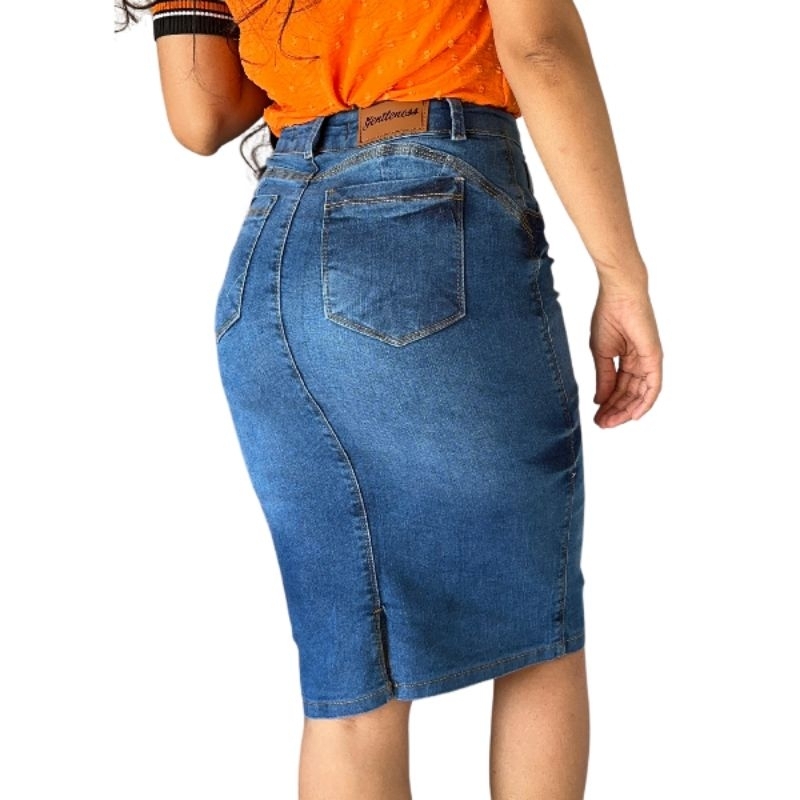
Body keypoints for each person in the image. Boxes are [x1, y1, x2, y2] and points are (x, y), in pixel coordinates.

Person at [117, 1, 663, 797]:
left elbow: (201, 115)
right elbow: (540, 48)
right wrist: (622, 274)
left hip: (275, 262)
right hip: (428, 218)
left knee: (353, 686)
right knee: (536, 628)